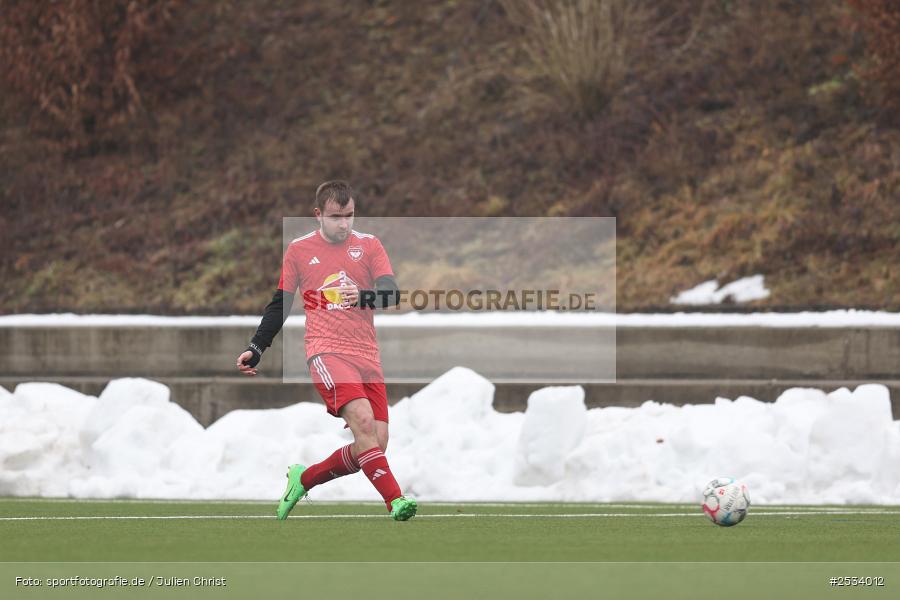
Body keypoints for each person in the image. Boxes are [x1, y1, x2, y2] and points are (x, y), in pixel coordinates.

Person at [235, 180, 417, 521]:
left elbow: (391, 293)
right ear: (318, 214)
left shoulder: (369, 245)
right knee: (363, 422)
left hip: (366, 354)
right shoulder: (299, 250)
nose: (344, 224)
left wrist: (362, 296)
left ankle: (303, 479)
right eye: (336, 217)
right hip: (326, 351)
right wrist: (257, 346)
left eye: (349, 215)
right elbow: (280, 304)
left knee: (375, 442)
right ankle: (396, 501)